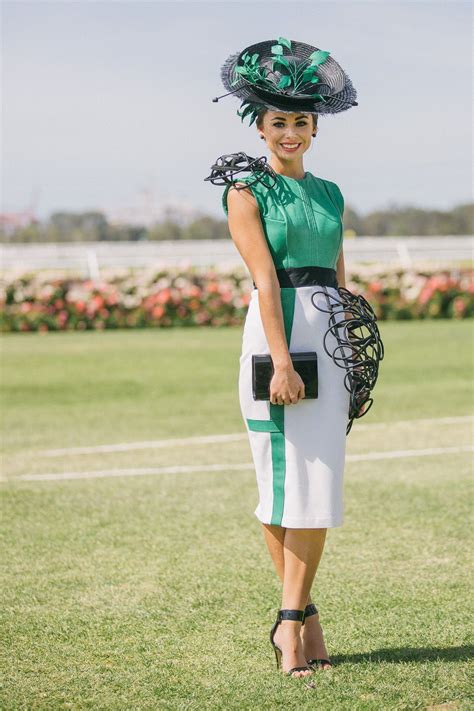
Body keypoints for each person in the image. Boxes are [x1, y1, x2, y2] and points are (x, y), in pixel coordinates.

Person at [208, 37, 381, 683]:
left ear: (315, 128)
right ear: (260, 125)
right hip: (275, 341)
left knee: (320, 485)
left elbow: (338, 280)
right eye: (279, 122)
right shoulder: (245, 192)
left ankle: (298, 614)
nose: (291, 132)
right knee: (282, 487)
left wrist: (352, 360)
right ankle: (294, 620)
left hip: (328, 345)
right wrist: (282, 360)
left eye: (301, 122)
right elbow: (264, 284)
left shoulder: (332, 193)